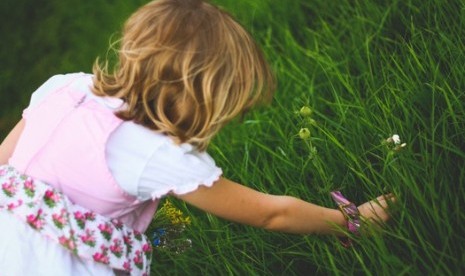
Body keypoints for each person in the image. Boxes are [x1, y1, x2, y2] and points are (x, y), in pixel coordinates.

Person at [0, 0, 394, 275]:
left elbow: (6, 159)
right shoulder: (157, 153)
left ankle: (165, 232)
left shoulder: (64, 87)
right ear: (206, 98)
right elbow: (270, 213)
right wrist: (351, 221)